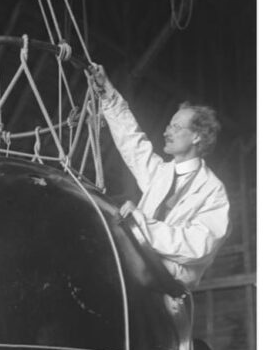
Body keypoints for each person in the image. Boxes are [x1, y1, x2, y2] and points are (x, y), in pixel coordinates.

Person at [89, 65, 230, 288]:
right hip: (137, 268)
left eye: (175, 127)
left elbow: (198, 246)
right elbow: (132, 142)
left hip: (167, 287)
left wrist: (141, 224)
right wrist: (108, 94)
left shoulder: (213, 191)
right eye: (168, 126)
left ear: (196, 136)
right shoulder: (162, 174)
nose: (166, 132)